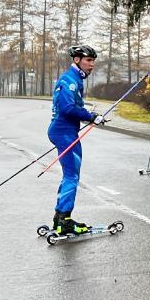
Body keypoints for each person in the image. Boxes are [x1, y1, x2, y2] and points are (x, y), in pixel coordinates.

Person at [46, 44, 105, 235]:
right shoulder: (70, 80)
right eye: (88, 60)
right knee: (72, 176)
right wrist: (90, 116)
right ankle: (64, 220)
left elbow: (73, 107)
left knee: (69, 175)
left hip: (65, 131)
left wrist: (91, 116)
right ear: (77, 60)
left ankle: (59, 217)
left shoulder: (74, 78)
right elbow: (67, 108)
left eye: (93, 61)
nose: (92, 64)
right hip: (64, 132)